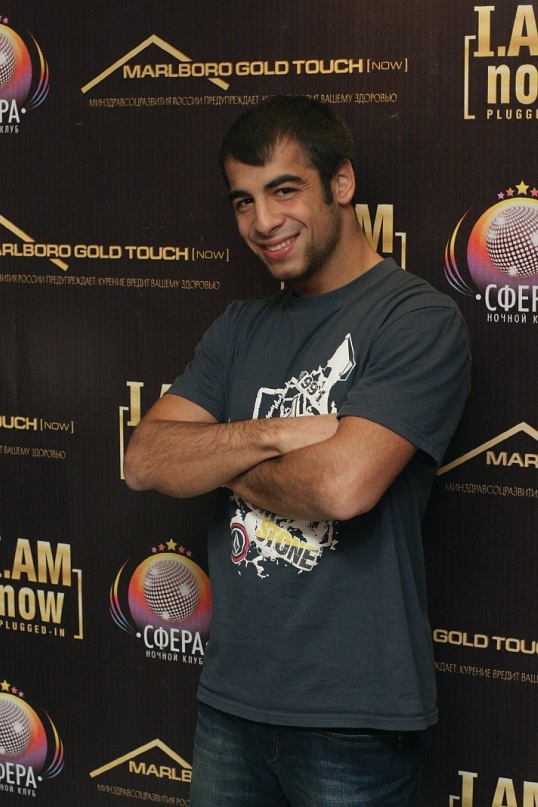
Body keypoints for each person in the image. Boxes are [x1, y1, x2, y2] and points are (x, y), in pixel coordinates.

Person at [124, 95, 471, 806]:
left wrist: (217, 461)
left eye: (284, 190)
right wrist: (274, 433)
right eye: (243, 201)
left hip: (355, 718)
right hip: (231, 702)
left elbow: (342, 488)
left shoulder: (416, 318)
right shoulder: (238, 326)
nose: (263, 221)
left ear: (341, 182)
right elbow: (145, 459)